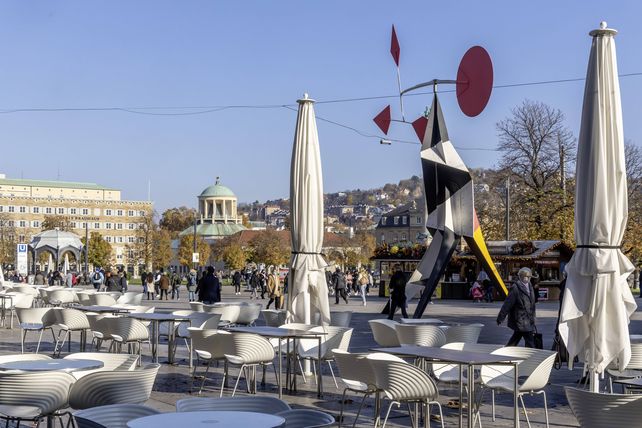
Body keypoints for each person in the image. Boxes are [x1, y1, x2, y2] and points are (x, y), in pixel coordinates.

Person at [496, 267, 537, 348]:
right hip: (521, 319)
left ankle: (507, 350)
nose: (527, 279)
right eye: (526, 277)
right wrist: (501, 317)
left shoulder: (530, 286)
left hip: (528, 319)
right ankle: (532, 353)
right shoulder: (515, 288)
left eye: (529, 277)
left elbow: (532, 304)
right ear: (521, 277)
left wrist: (533, 318)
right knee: (529, 340)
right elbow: (507, 304)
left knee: (516, 338)